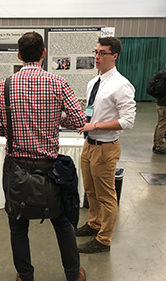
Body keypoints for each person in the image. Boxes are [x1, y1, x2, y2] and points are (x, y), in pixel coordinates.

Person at [0, 32, 86, 281]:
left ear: (19, 56)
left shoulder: (5, 85)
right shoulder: (58, 82)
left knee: (17, 224)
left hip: (17, 167)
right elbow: (79, 120)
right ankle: (73, 277)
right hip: (50, 168)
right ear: (43, 53)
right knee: (62, 222)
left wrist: (16, 130)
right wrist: (56, 122)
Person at [77, 37, 136, 253]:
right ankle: (94, 224)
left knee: (106, 195)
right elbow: (91, 111)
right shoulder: (95, 82)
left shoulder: (121, 85)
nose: (97, 57)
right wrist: (87, 123)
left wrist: (96, 126)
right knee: (90, 190)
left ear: (115, 56)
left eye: (102, 53)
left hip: (106, 147)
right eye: (96, 52)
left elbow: (128, 121)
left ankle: (103, 240)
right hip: (89, 145)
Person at [146, 68, 166, 154]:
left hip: (160, 102)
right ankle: (159, 147)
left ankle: (157, 144)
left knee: (160, 124)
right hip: (165, 104)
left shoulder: (162, 74)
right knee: (162, 126)